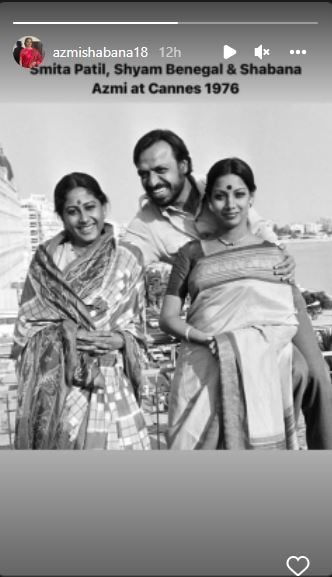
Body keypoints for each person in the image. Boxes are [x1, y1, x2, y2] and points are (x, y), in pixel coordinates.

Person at [125, 129, 332, 449]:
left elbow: (263, 235)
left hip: (272, 298)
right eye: (144, 174)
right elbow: (123, 267)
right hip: (222, 317)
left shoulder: (222, 185)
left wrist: (282, 257)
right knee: (290, 373)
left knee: (318, 380)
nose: (152, 182)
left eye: (160, 170)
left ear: (184, 165)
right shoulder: (146, 226)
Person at [12, 172, 151, 450]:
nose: (84, 218)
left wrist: (122, 340)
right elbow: (28, 330)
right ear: (61, 217)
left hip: (111, 380)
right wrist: (70, 341)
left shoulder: (128, 258)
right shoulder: (45, 264)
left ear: (103, 206)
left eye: (90, 208)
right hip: (62, 388)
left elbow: (138, 326)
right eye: (72, 211)